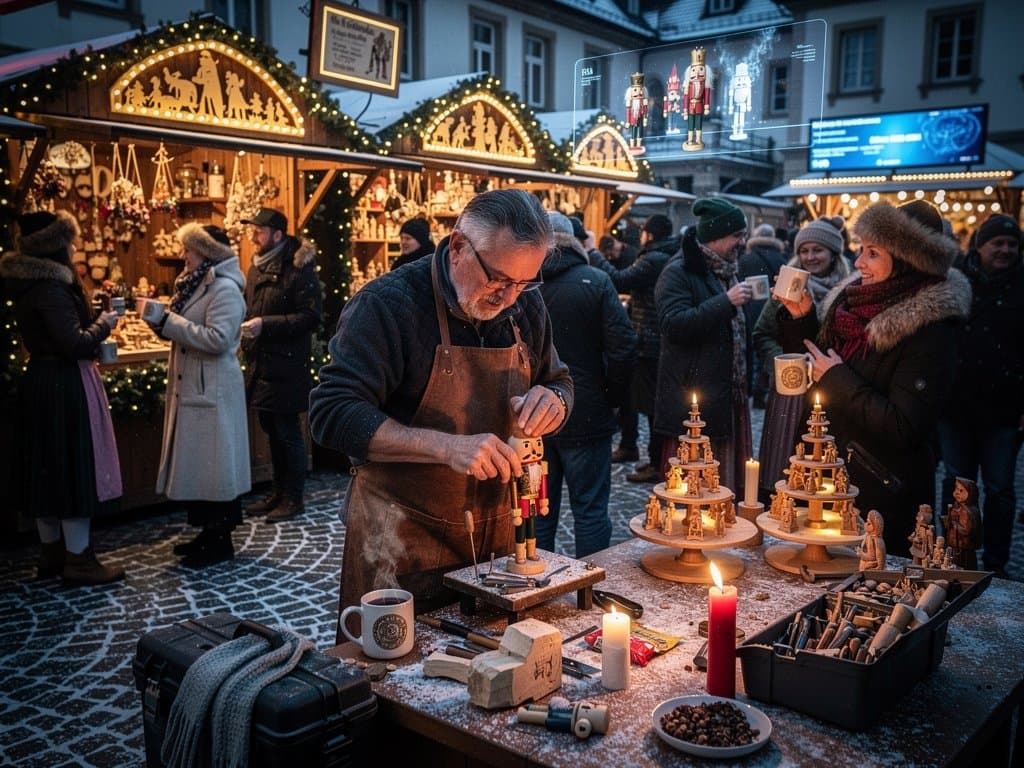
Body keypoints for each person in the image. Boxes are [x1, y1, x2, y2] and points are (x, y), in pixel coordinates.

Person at [309, 189, 573, 631]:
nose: (509, 298)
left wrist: (556, 401)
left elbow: (559, 379)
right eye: (498, 279)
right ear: (457, 247)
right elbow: (330, 414)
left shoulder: (524, 304)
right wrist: (443, 446)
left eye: (524, 283)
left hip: (498, 541)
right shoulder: (386, 305)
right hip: (399, 540)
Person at [775, 200, 970, 555]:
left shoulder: (931, 331)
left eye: (873, 253)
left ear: (906, 260)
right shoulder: (851, 304)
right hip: (830, 474)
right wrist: (802, 320)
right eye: (861, 249)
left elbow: (904, 427)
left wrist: (837, 379)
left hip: (879, 493)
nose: (860, 262)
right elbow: (821, 364)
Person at [0, 210, 125, 584]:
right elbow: (75, 343)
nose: (74, 248)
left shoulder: (29, 284)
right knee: (73, 471)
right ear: (55, 247)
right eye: (68, 241)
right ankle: (79, 561)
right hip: (64, 385)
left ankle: (52, 554)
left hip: (42, 381)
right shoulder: (52, 288)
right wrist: (104, 324)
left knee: (48, 472)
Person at [534, 212, 638, 558]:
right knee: (591, 510)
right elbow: (623, 347)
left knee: (538, 513)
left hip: (533, 415)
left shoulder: (522, 283)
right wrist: (610, 396)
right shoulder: (595, 280)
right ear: (575, 242)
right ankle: (591, 589)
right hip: (588, 411)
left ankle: (537, 586)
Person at [151, 223, 251, 566]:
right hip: (196, 387)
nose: (183, 256)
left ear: (205, 253)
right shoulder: (195, 285)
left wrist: (167, 322)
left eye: (189, 250)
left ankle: (220, 540)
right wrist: (161, 323)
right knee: (202, 467)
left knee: (215, 468)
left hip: (214, 391)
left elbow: (220, 339)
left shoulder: (224, 289)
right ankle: (207, 534)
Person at [938, 213, 1022, 577]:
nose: (1005, 250)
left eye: (1012, 244)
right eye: (997, 243)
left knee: (1000, 489)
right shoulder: (958, 281)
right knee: (956, 484)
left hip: (1005, 409)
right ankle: (954, 555)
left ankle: (996, 564)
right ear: (980, 246)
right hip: (957, 405)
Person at [654, 198, 751, 489]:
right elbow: (674, 325)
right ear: (715, 237)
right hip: (695, 399)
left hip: (725, 394)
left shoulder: (726, 269)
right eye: (737, 235)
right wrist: (726, 302)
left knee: (724, 479)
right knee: (692, 484)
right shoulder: (677, 272)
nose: (742, 242)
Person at [752, 216, 851, 503]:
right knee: (782, 462)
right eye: (804, 250)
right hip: (790, 390)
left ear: (833, 252)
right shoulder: (788, 285)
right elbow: (762, 333)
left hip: (830, 389)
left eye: (817, 250)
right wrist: (784, 364)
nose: (810, 257)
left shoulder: (847, 290)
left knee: (822, 462)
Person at [239, 207, 323, 522]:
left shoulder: (298, 268)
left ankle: (293, 498)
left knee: (287, 432)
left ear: (277, 234)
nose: (253, 236)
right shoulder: (256, 266)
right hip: (261, 361)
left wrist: (266, 325)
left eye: (258, 231)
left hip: (287, 366)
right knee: (270, 428)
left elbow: (311, 317)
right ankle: (277, 492)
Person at [590, 214, 677, 481]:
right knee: (637, 399)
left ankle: (655, 461)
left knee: (649, 405)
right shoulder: (662, 255)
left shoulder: (653, 259)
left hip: (649, 342)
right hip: (649, 340)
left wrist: (593, 251)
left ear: (649, 235)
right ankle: (635, 449)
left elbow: (617, 278)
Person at [739, 223, 787, 409]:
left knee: (752, 349)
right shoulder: (781, 258)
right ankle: (762, 388)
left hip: (749, 309)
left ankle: (753, 390)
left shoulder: (746, 258)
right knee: (766, 351)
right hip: (773, 310)